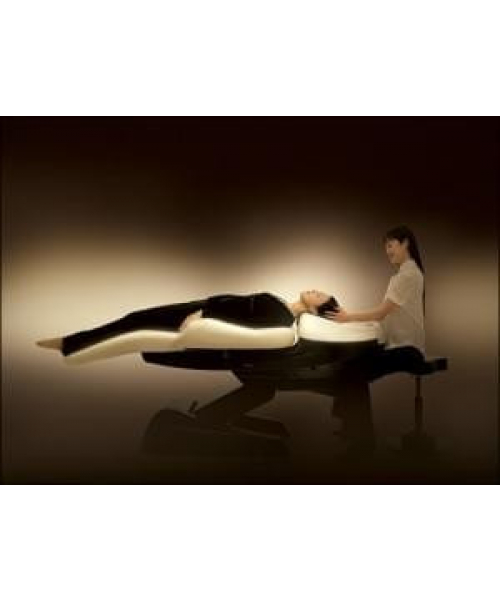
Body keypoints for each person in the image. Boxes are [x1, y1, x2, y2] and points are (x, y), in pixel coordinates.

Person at [36, 289, 339, 357]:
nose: (315, 289)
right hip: (201, 306)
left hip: (200, 313)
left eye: (320, 294)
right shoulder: (281, 306)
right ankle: (71, 343)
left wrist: (204, 318)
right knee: (135, 318)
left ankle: (70, 344)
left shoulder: (281, 318)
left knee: (135, 321)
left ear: (316, 308)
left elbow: (245, 324)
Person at [324, 225, 426, 381]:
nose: (387, 251)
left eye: (390, 245)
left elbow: (381, 313)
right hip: (405, 347)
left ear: (405, 243)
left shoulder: (407, 276)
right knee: (350, 365)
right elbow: (385, 317)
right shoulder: (410, 274)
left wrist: (348, 317)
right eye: (386, 247)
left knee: (351, 369)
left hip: (408, 349)